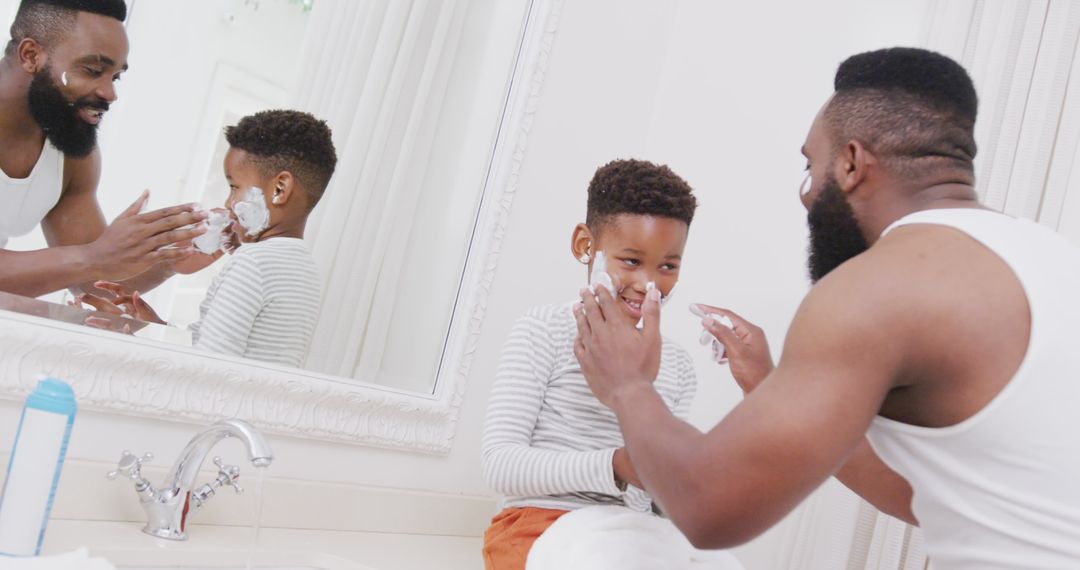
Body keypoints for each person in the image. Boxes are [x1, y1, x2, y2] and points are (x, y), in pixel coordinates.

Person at [572, 47, 1080, 569]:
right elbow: (938, 496)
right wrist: (770, 383)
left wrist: (628, 385)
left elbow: (708, 507)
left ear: (852, 163)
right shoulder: (1052, 258)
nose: (807, 194)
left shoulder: (880, 285)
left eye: (810, 168)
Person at [480, 159, 700, 569]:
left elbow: (657, 497)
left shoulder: (679, 366)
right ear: (586, 246)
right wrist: (616, 467)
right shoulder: (542, 330)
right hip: (537, 521)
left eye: (668, 266)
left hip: (630, 532)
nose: (648, 284)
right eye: (631, 261)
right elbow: (501, 464)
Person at [79, 110, 338, 368]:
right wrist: (154, 329)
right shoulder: (306, 270)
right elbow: (226, 355)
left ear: (280, 189)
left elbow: (208, 370)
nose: (228, 202)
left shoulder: (253, 263)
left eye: (234, 187)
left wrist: (129, 342)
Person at [0, 0, 209, 298]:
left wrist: (171, 258)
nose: (110, 94)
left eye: (115, 76)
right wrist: (93, 257)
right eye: (93, 70)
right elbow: (91, 261)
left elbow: (96, 280)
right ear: (31, 55)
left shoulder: (71, 157)